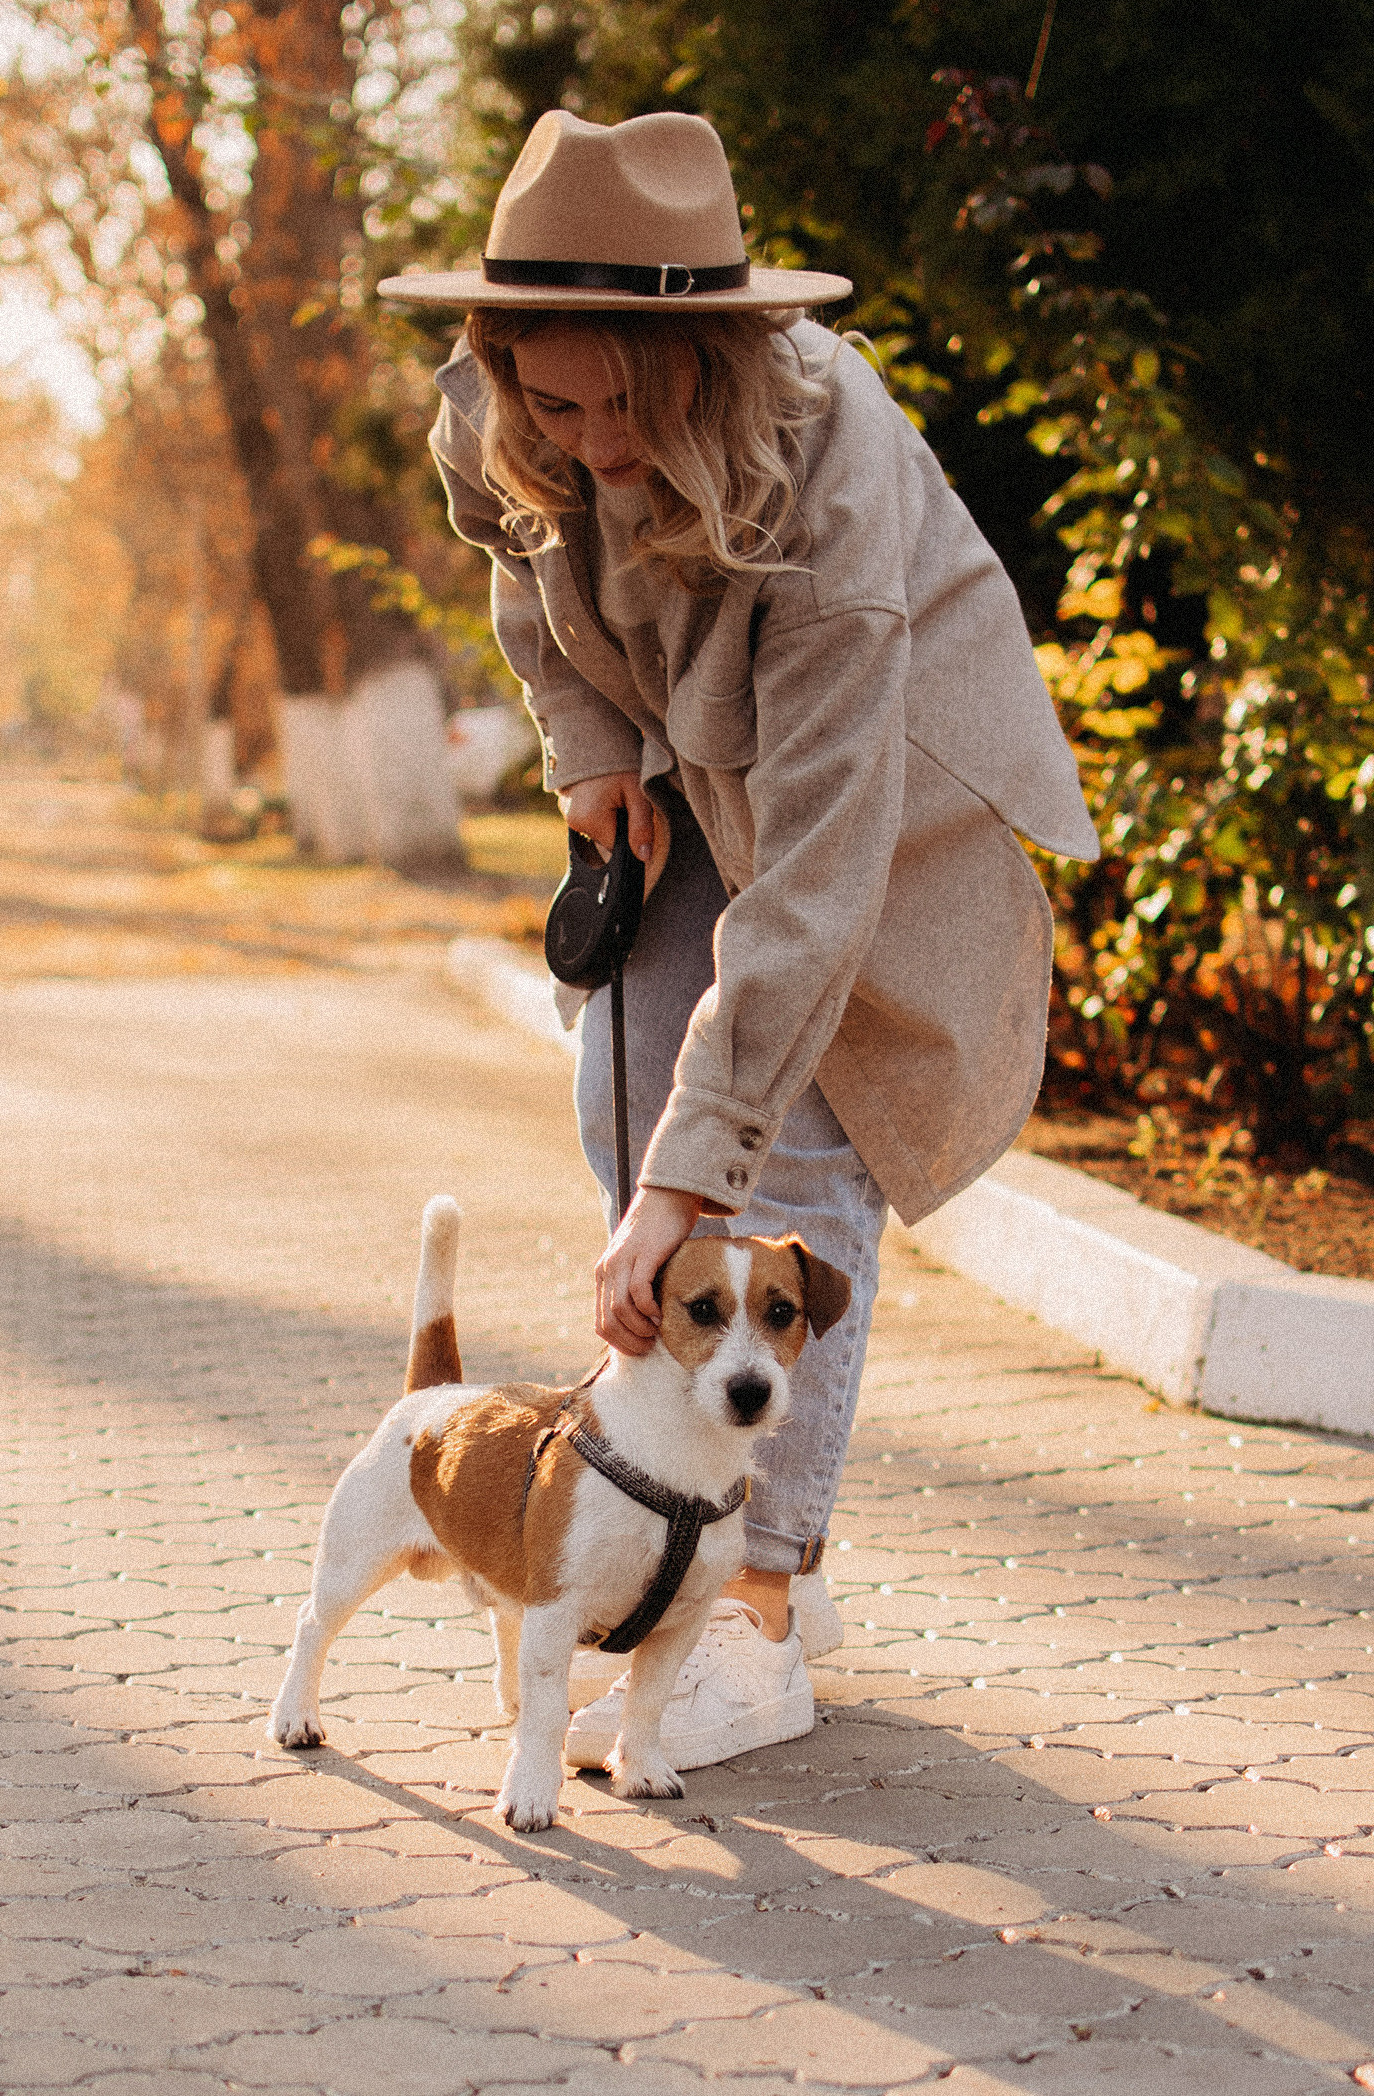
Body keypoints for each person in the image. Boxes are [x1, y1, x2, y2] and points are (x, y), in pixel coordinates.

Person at [378, 110, 1098, 1771]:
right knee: (618, 1124)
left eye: (631, 404)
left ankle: (764, 1611)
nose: (591, 439)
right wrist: (591, 750)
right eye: (555, 402)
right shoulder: (504, 413)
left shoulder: (829, 485)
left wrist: (703, 1180)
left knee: (801, 1155)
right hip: (686, 756)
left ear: (710, 353)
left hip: (876, 783)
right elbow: (517, 568)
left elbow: (819, 889)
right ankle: (682, 1528)